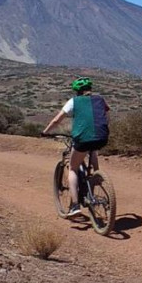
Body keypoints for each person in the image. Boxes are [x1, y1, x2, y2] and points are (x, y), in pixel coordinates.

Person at [43, 77, 110, 217]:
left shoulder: (74, 101)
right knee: (93, 148)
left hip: (82, 139)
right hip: (101, 137)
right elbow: (106, 116)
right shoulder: (100, 99)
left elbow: (57, 120)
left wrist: (45, 131)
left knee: (73, 168)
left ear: (77, 91)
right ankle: (96, 175)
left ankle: (75, 206)